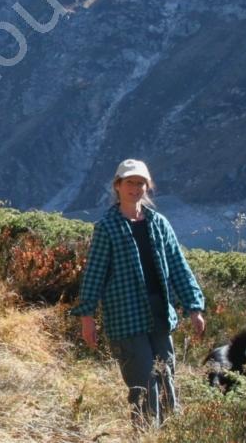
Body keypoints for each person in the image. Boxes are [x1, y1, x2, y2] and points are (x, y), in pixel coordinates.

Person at [71, 159, 206, 427]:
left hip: (159, 314)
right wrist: (87, 317)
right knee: (142, 382)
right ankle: (145, 434)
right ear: (117, 186)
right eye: (129, 182)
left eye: (141, 183)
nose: (135, 188)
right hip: (126, 318)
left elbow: (179, 266)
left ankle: (169, 432)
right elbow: (95, 275)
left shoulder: (159, 223)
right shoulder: (107, 227)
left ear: (148, 186)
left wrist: (195, 307)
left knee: (166, 376)